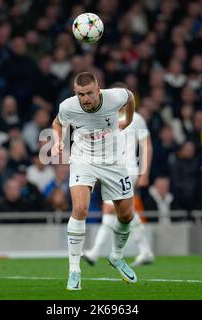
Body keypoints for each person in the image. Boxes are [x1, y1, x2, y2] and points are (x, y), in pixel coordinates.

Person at [52, 72, 137, 290]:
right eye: (81, 94)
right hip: (83, 159)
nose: (85, 98)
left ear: (98, 90)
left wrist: (128, 119)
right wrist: (57, 142)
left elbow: (130, 97)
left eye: (89, 93)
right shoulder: (68, 106)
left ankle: (116, 257)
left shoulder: (114, 97)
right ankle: (74, 270)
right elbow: (57, 123)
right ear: (75, 93)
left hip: (113, 161)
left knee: (126, 215)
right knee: (80, 208)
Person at [83, 82, 155, 267]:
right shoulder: (106, 119)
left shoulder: (136, 118)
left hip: (129, 170)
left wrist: (144, 172)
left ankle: (95, 251)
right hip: (112, 171)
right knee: (123, 211)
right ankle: (145, 251)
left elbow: (146, 145)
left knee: (110, 210)